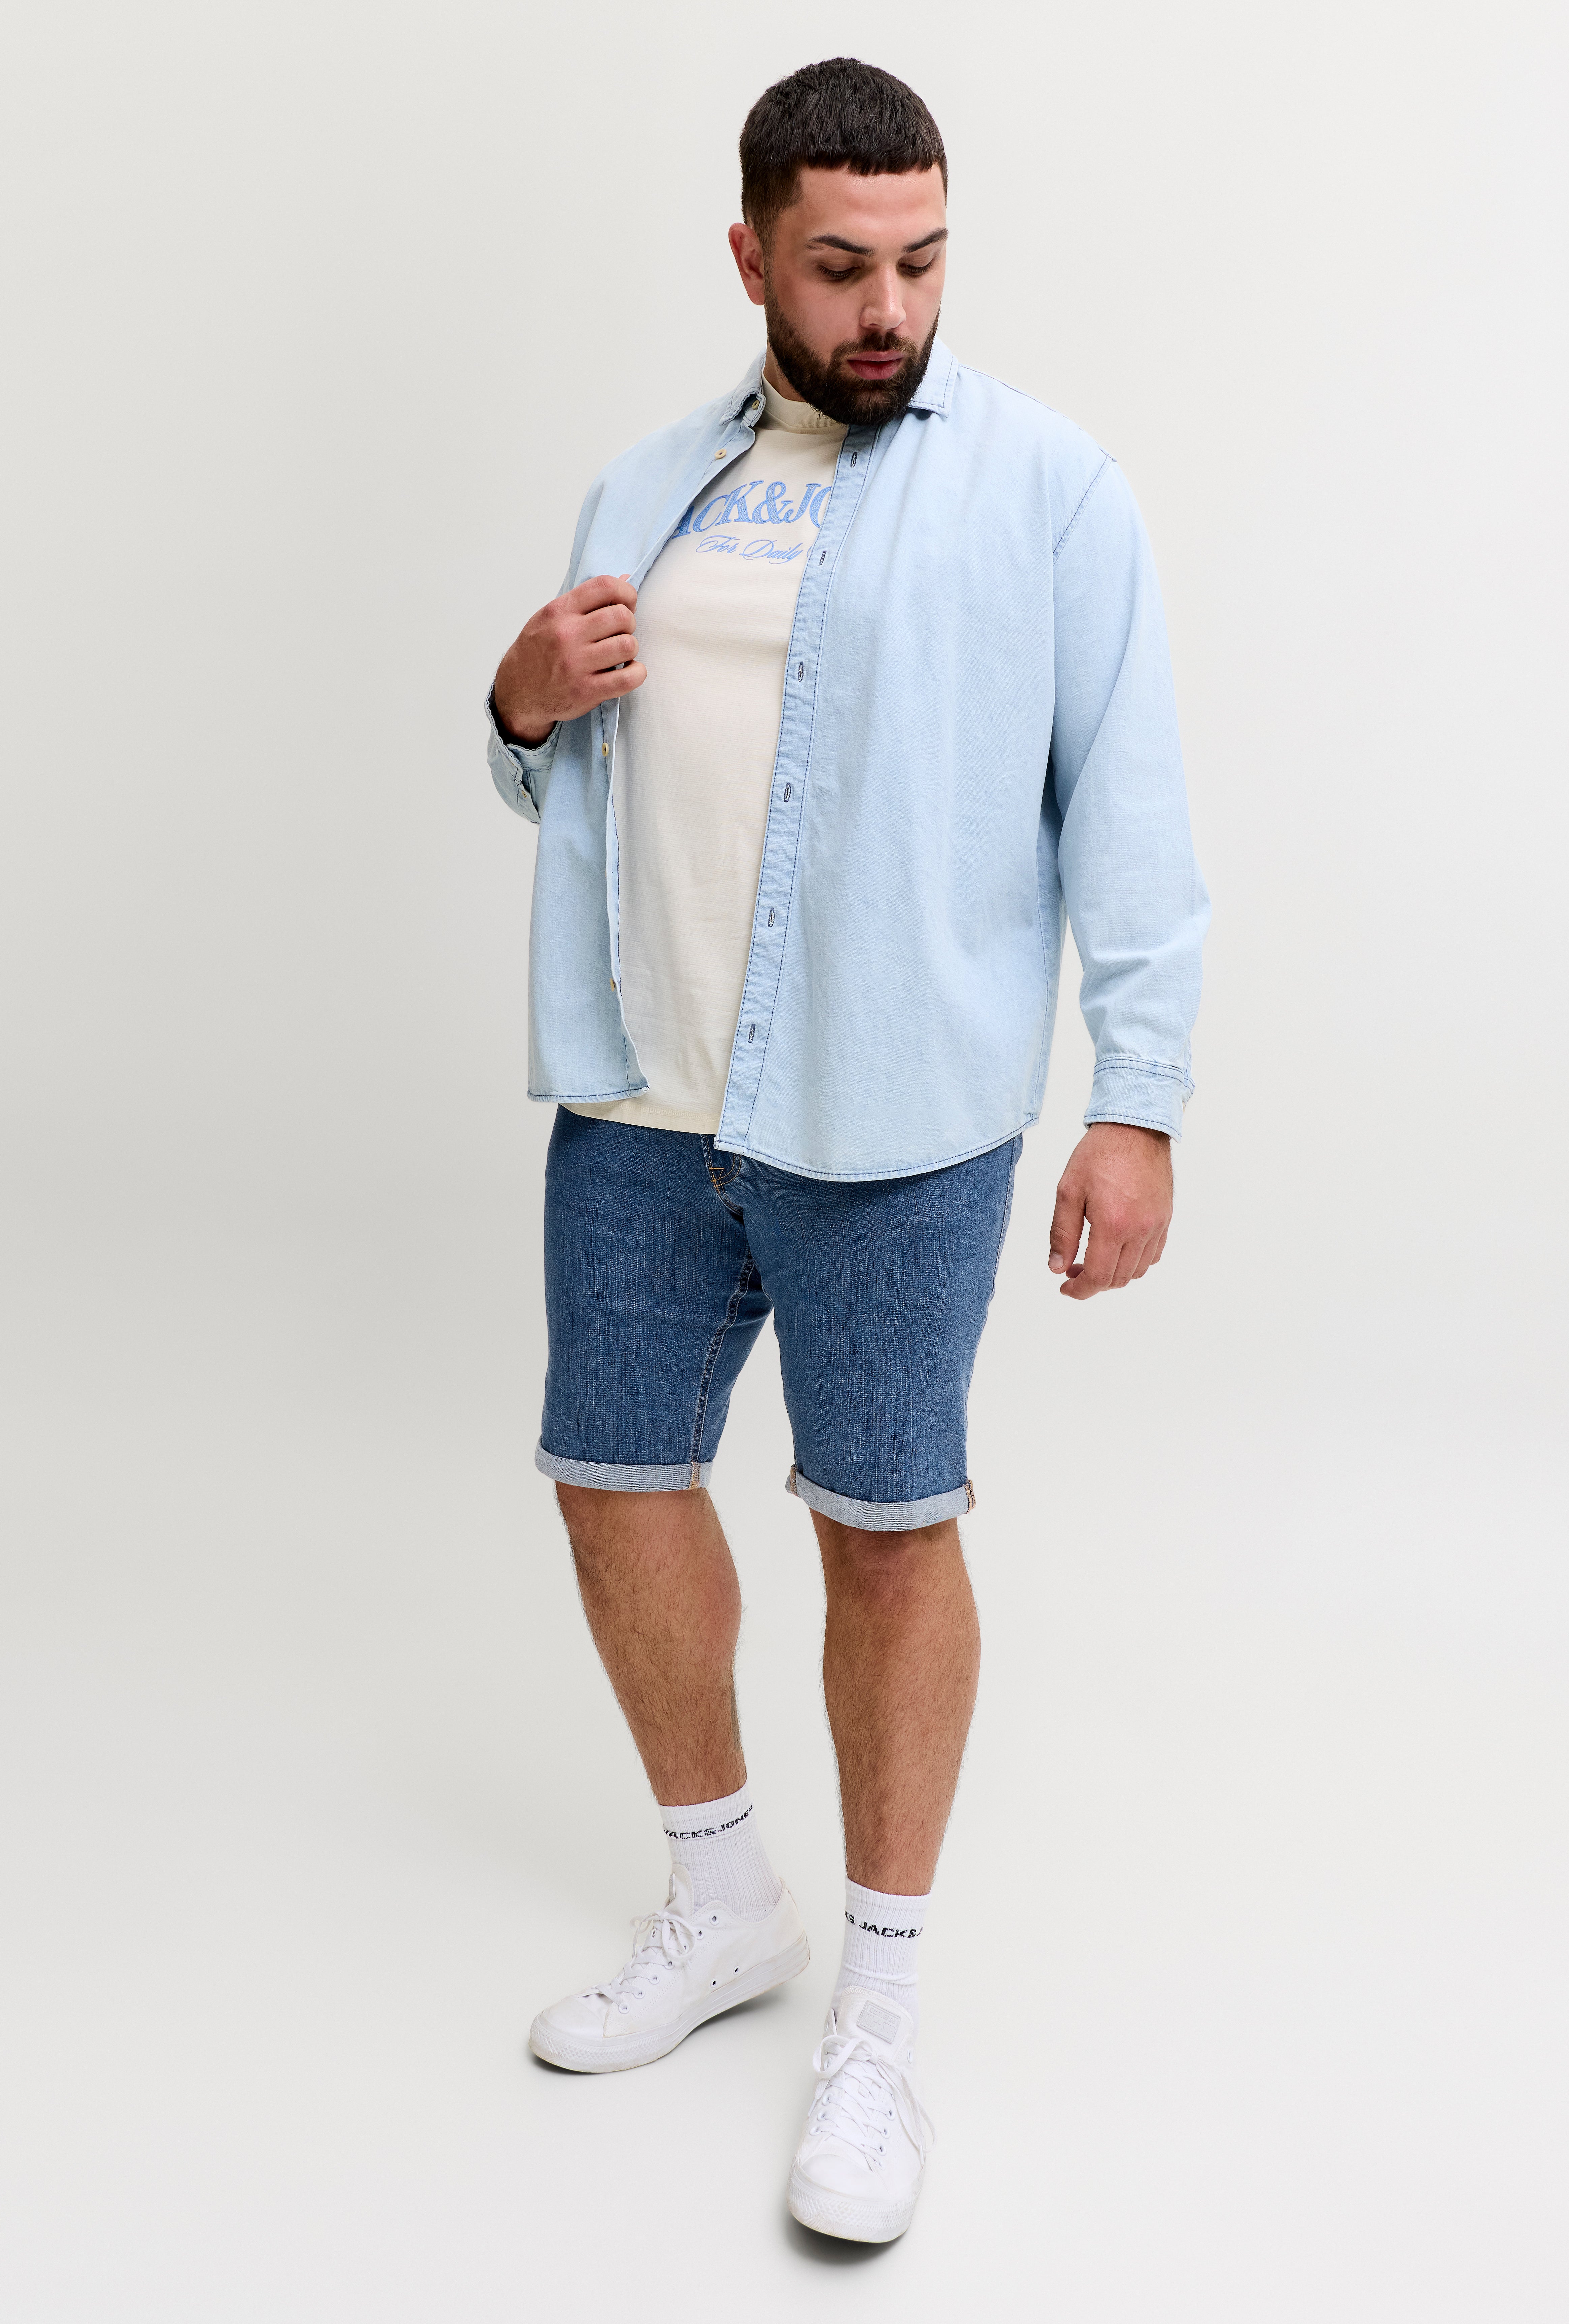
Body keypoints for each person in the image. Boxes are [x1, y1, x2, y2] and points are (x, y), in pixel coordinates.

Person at [486, 57, 1207, 2245]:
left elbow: (1130, 809)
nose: (888, 308)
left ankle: (876, 2016)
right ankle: (725, 1903)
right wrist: (519, 702)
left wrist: (1141, 1102)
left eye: (920, 262)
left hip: (892, 1118)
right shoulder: (647, 488)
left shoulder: (1050, 491)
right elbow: (571, 774)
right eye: (838, 268)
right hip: (643, 1096)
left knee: (885, 1532)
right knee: (612, 1480)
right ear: (750, 259)